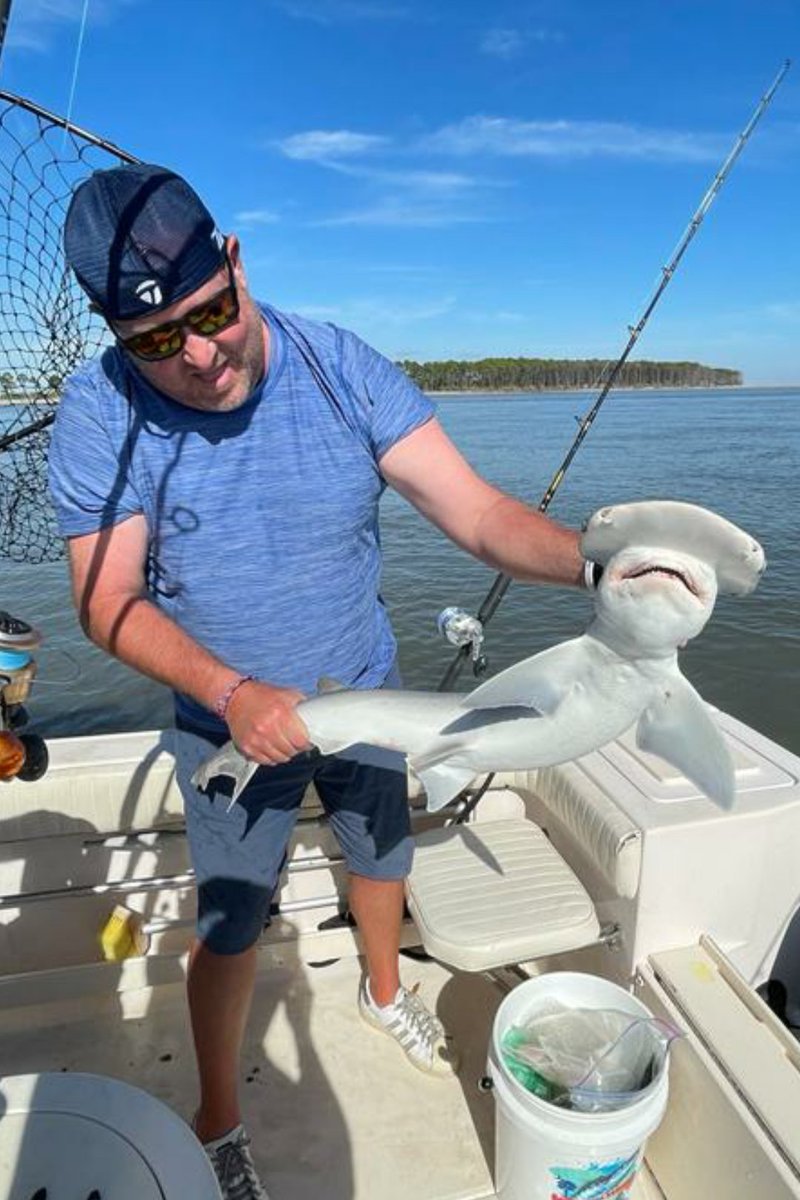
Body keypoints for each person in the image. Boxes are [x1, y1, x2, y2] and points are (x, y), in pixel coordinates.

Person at [48, 163, 595, 1200]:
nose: (198, 354)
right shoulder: (98, 411)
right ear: (114, 334)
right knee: (230, 920)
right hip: (227, 720)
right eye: (155, 341)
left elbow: (478, 514)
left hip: (365, 689)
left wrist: (597, 564)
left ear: (236, 263)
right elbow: (105, 600)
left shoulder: (340, 365)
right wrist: (230, 693)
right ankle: (218, 1117)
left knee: (382, 853)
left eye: (211, 313)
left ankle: (384, 994)